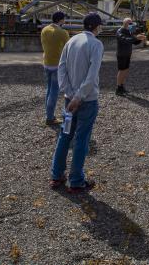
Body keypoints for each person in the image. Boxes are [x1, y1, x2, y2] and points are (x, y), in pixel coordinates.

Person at [50, 13, 104, 192]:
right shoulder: (96, 44)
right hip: (87, 101)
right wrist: (79, 96)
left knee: (65, 135)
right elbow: (92, 75)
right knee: (81, 139)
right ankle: (76, 180)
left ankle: (56, 175)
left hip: (69, 100)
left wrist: (69, 93)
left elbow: (61, 67)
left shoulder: (71, 41)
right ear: (96, 27)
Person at [40, 11, 70, 125]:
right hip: (57, 65)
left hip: (46, 63)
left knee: (49, 90)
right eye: (64, 19)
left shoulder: (44, 29)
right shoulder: (62, 32)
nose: (64, 21)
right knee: (54, 92)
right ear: (61, 20)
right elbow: (68, 48)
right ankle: (50, 118)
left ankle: (48, 114)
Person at [115, 17, 147, 96]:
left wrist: (140, 39)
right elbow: (125, 39)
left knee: (125, 70)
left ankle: (122, 86)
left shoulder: (129, 31)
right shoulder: (119, 31)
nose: (131, 25)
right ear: (125, 23)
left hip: (127, 54)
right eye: (130, 23)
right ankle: (118, 88)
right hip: (121, 54)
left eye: (131, 23)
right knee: (121, 70)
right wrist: (136, 37)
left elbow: (134, 42)